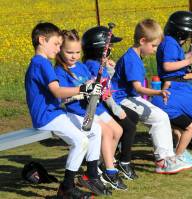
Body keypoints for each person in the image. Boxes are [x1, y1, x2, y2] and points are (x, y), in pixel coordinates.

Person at [25, 22, 111, 198]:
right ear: (42, 40)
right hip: (46, 117)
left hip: (55, 113)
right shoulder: (42, 64)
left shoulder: (42, 63)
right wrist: (83, 89)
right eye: (56, 44)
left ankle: (92, 175)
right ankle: (67, 188)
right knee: (80, 141)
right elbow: (57, 91)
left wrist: (87, 88)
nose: (58, 49)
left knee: (94, 129)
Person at [112, 18, 192, 174]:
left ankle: (169, 157)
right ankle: (163, 161)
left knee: (161, 116)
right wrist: (159, 91)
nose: (156, 49)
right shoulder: (132, 59)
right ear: (143, 41)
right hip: (120, 99)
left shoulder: (134, 55)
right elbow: (138, 88)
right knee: (159, 118)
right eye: (154, 46)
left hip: (129, 97)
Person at [54, 29, 128, 190]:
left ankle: (103, 163)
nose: (74, 56)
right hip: (80, 112)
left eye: (77, 52)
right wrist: (82, 92)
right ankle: (109, 170)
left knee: (118, 130)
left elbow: (92, 81)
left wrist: (99, 85)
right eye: (69, 52)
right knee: (107, 132)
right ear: (60, 50)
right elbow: (62, 95)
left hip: (94, 107)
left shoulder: (80, 66)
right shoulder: (60, 71)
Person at [81, 26, 139, 180]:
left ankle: (112, 155)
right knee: (130, 126)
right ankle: (122, 162)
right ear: (100, 49)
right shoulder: (94, 66)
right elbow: (105, 92)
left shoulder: (97, 64)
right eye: (109, 46)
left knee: (133, 117)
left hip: (106, 104)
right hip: (102, 106)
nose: (111, 48)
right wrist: (117, 109)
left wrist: (108, 67)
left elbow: (108, 82)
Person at [155, 11, 192, 161]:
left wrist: (187, 56)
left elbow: (175, 60)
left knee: (179, 127)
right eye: (189, 34)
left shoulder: (171, 42)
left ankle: (177, 151)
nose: (189, 38)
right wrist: (189, 61)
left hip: (176, 84)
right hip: (174, 85)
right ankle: (177, 156)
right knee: (190, 125)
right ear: (181, 32)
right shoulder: (169, 43)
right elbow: (167, 66)